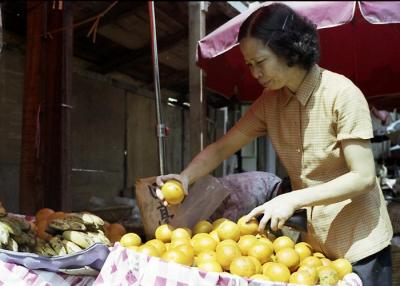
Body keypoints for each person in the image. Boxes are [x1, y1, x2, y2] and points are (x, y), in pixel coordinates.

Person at [156, 3, 393, 285]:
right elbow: (222, 147)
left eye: (260, 61)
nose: (255, 73)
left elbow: (363, 177)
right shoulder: (270, 102)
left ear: (288, 49)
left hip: (361, 245)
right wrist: (185, 178)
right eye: (249, 65)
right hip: (315, 248)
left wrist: (292, 199)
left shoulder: (341, 94)